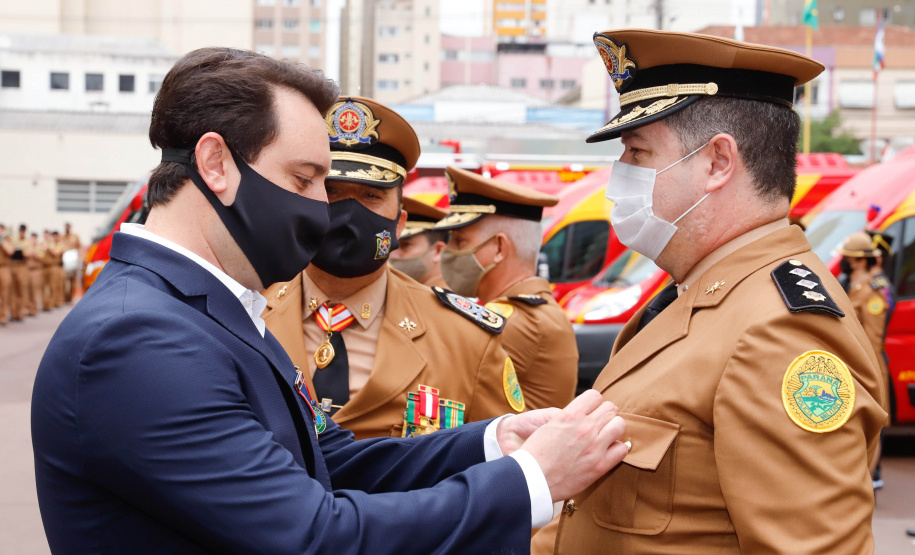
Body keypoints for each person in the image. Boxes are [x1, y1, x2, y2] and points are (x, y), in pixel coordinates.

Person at [32, 47, 629, 553]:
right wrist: (531, 480)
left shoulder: (206, 312)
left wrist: (495, 442)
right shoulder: (138, 340)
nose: (322, 209)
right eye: (304, 179)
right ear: (216, 164)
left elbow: (331, 461)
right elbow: (316, 536)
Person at [549, 29, 887, 553]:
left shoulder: (781, 332)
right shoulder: (699, 295)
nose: (620, 176)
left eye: (637, 152)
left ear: (718, 163)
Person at [263, 96, 525, 439]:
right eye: (332, 191)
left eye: (371, 196)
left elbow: (505, 469)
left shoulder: (466, 341)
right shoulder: (245, 308)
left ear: (400, 223)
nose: (348, 214)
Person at [436, 166, 578, 411]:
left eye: (459, 241)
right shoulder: (532, 311)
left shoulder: (508, 320)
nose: (447, 253)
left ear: (499, 248)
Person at [839, 231, 895, 489]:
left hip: (868, 364)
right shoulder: (856, 285)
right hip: (853, 362)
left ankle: (867, 485)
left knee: (873, 426)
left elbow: (873, 339)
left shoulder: (872, 291)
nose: (845, 262)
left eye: (849, 258)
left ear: (861, 260)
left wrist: (865, 372)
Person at [388, 196, 450, 288]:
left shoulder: (447, 300)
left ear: (438, 251)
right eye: (391, 244)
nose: (392, 254)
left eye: (405, 245)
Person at [8, 224, 31, 321]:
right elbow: (10, 251)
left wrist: (18, 250)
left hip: (22, 266)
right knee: (13, 290)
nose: (22, 232)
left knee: (21, 290)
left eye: (23, 230)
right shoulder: (14, 240)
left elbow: (27, 254)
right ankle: (14, 313)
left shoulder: (27, 241)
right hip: (13, 265)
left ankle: (20, 313)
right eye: (21, 230)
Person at [62, 222, 82, 303]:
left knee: (73, 280)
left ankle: (71, 296)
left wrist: (80, 258)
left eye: (68, 227)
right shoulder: (62, 237)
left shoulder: (75, 236)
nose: (67, 228)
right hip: (65, 262)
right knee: (64, 280)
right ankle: (65, 297)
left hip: (73, 261)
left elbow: (79, 246)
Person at [28, 233, 44, 312]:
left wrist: (33, 250)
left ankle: (34, 308)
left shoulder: (39, 247)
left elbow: (40, 257)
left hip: (35, 270)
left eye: (34, 238)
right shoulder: (28, 246)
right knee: (27, 290)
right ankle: (29, 308)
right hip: (27, 270)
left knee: (34, 290)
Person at [0, 223, 12, 325]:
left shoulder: (6, 240)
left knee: (4, 294)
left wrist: (2, 240)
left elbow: (10, 251)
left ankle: (3, 317)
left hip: (3, 268)